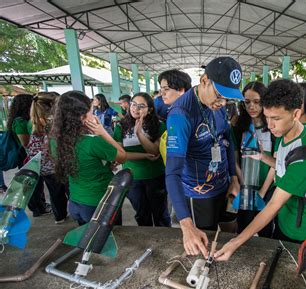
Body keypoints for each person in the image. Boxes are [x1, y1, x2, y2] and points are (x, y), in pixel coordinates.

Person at [215, 79, 306, 261]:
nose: (270, 125)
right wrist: (264, 156)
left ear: (296, 113)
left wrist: (236, 242)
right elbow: (281, 166)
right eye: (267, 117)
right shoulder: (286, 134)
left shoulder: (304, 157)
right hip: (285, 220)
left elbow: (273, 205)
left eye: (276, 118)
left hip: (299, 230)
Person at [166, 56, 242, 257]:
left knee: (226, 235)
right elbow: (172, 173)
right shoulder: (181, 114)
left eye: (227, 98)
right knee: (204, 246)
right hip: (199, 194)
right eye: (219, 95)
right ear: (204, 80)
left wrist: (233, 177)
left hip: (223, 185)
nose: (222, 102)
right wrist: (186, 224)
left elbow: (227, 137)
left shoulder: (217, 105)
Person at [52, 91, 145, 225]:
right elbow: (123, 156)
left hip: (75, 202)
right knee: (109, 241)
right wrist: (102, 132)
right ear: (82, 116)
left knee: (88, 241)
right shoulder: (93, 142)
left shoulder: (56, 140)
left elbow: (83, 162)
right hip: (100, 204)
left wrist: (106, 164)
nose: (94, 114)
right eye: (91, 111)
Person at [113, 92, 170, 227]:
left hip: (156, 176)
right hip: (133, 178)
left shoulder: (159, 125)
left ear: (149, 109)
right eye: (133, 104)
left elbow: (154, 151)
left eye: (141, 106)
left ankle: (165, 242)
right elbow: (121, 155)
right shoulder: (121, 126)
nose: (135, 108)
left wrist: (139, 134)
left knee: (160, 213)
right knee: (141, 213)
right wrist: (144, 156)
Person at [233, 81, 275, 237]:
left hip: (267, 188)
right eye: (247, 102)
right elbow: (235, 160)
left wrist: (263, 192)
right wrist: (244, 186)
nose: (252, 106)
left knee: (265, 231)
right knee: (243, 229)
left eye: (257, 102)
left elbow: (276, 164)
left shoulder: (273, 127)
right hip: (245, 189)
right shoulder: (238, 126)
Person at [27, 92, 68, 224]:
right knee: (69, 190)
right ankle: (74, 212)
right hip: (58, 164)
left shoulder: (32, 122)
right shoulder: (55, 123)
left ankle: (59, 216)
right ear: (52, 105)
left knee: (54, 193)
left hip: (43, 166)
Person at [7, 93, 50, 217]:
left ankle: (41, 204)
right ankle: (37, 208)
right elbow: (26, 143)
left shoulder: (27, 120)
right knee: (32, 184)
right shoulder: (19, 122)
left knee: (38, 183)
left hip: (31, 156)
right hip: (25, 157)